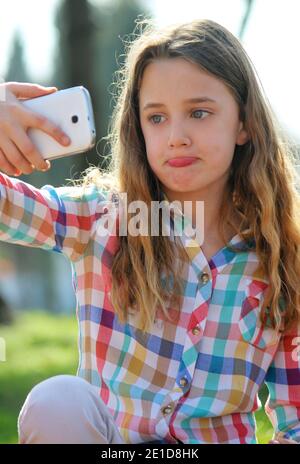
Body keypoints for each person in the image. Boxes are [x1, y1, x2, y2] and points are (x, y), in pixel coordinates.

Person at [0, 18, 299, 445]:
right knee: (58, 401)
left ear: (244, 123)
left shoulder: (281, 259)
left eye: (199, 113)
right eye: (156, 118)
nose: (176, 136)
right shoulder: (103, 220)